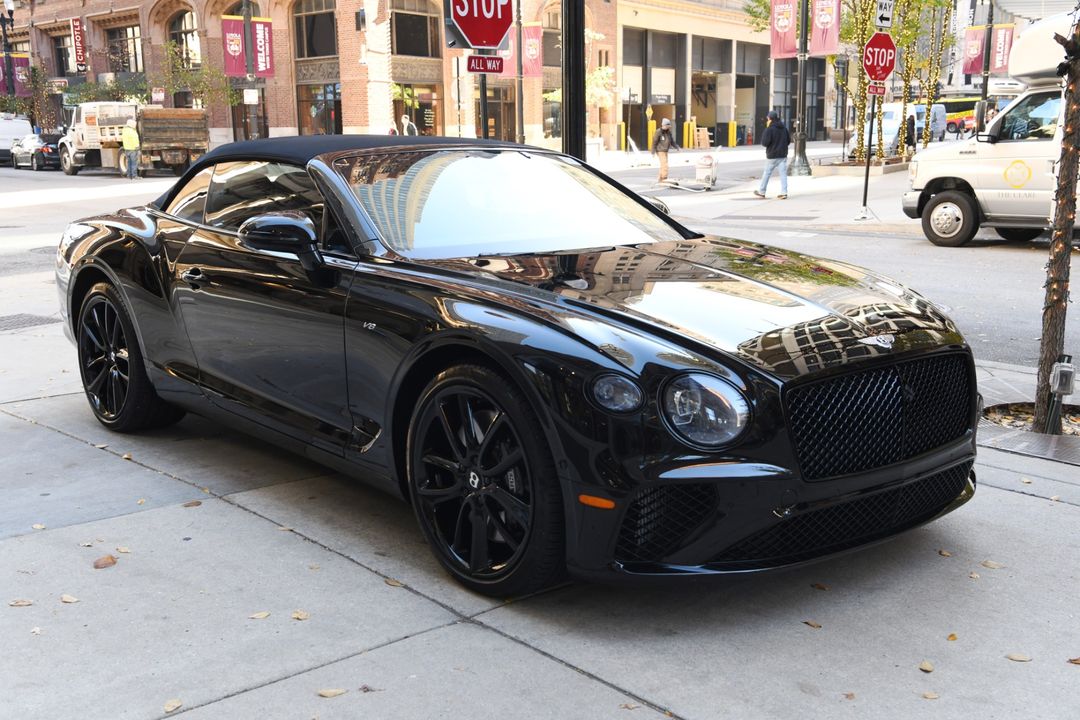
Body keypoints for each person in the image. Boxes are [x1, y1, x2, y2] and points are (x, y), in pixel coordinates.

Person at [754, 110, 790, 199]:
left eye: (768, 118)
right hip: (782, 155)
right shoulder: (784, 128)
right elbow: (788, 141)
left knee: (766, 173)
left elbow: (764, 143)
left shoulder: (769, 129)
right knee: (783, 174)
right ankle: (784, 192)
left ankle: (762, 191)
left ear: (770, 119)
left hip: (772, 156)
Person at [651, 117, 680, 182]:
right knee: (665, 165)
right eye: (667, 126)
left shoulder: (668, 132)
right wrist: (653, 152)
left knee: (663, 165)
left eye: (669, 126)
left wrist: (676, 147)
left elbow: (672, 141)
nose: (669, 127)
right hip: (660, 150)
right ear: (664, 125)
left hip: (665, 150)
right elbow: (654, 142)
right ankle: (664, 178)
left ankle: (660, 178)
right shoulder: (658, 132)